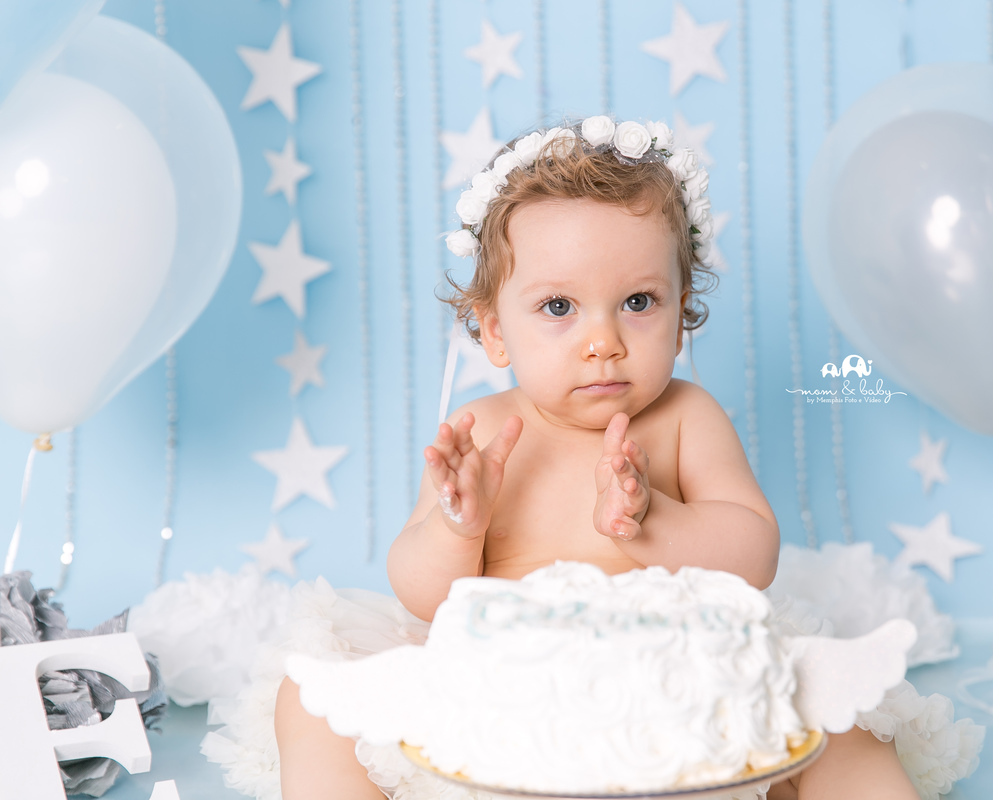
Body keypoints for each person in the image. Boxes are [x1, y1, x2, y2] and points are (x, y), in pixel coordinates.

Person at [211, 117, 940, 800]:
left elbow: (754, 556)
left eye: (638, 302)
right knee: (311, 696)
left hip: (679, 690)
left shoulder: (685, 419)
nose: (603, 340)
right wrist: (457, 526)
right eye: (559, 308)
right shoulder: (489, 432)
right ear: (495, 333)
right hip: (504, 703)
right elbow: (421, 597)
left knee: (841, 717)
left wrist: (650, 522)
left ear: (682, 313)